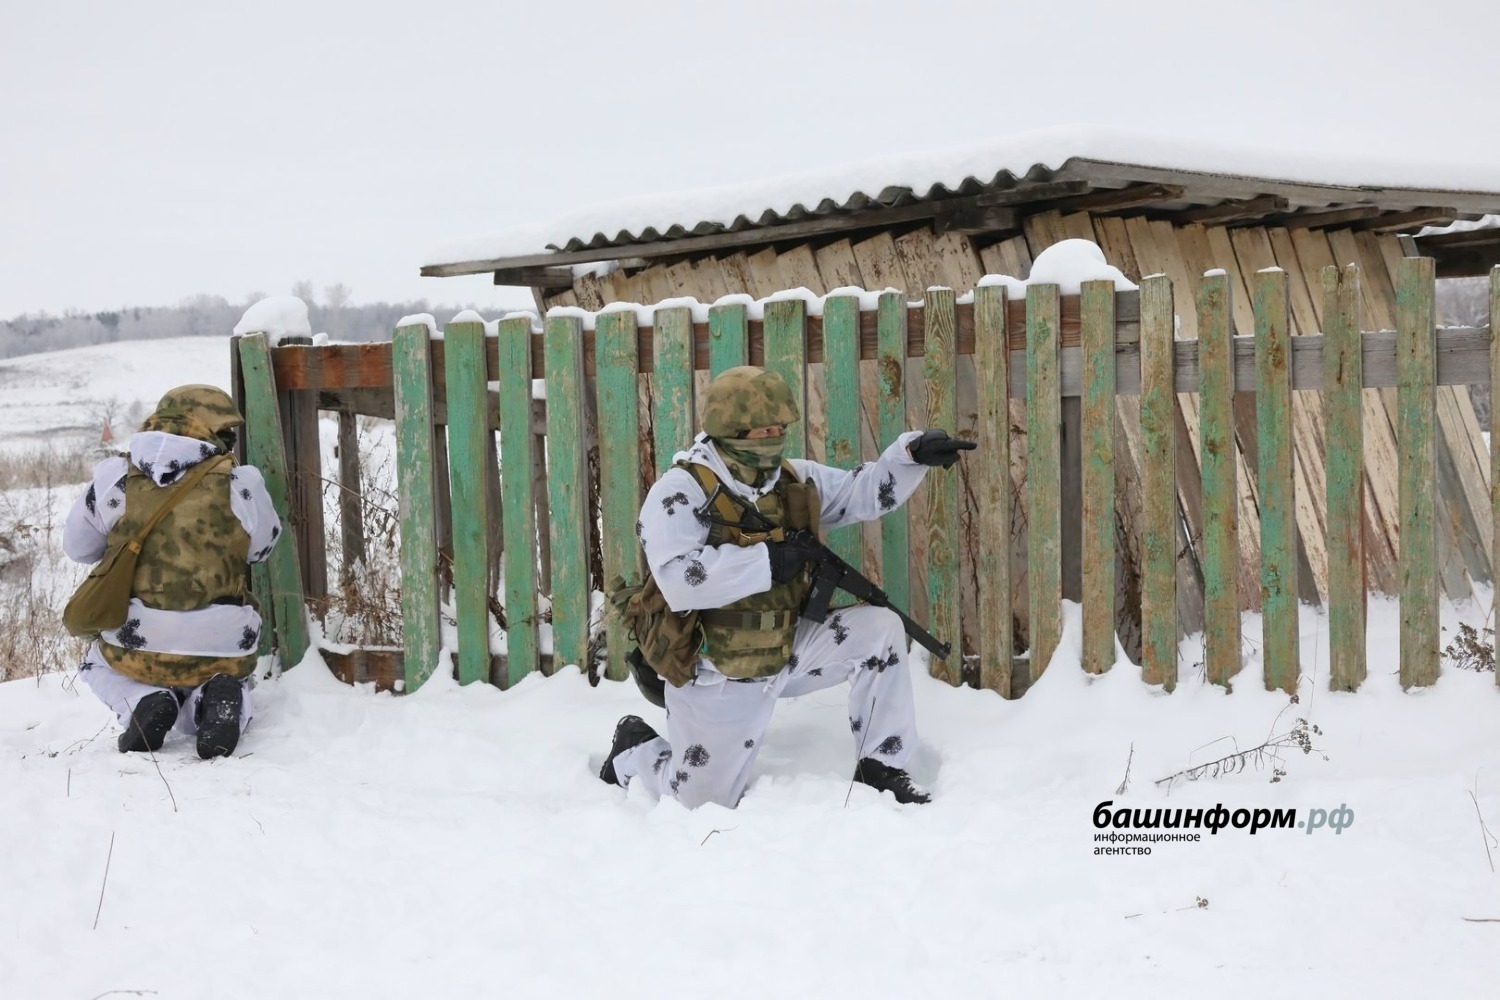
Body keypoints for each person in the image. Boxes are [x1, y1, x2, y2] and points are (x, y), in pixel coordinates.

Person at [598, 365, 974, 807]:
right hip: (717, 668)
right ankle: (634, 748)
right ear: (732, 431)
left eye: (780, 428)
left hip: (788, 646)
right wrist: (767, 561)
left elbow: (863, 491)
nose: (775, 438)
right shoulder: (680, 492)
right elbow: (681, 581)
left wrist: (909, 455)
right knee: (699, 803)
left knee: (879, 629)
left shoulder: (790, 480)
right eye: (764, 430)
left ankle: (881, 764)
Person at [63, 384, 282, 759]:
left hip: (135, 639)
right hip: (225, 638)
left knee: (94, 660)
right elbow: (262, 550)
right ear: (213, 430)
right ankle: (217, 700)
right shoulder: (242, 483)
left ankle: (143, 699)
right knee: (224, 670)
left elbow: (78, 549)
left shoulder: (113, 477)